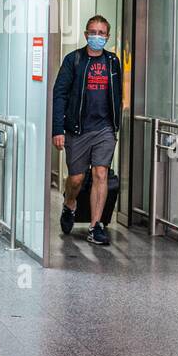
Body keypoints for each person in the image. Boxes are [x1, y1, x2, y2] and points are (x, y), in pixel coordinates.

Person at [52, 14, 122, 246]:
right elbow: (59, 94)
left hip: (104, 129)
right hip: (78, 130)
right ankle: (69, 204)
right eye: (93, 32)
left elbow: (117, 94)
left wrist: (115, 125)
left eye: (101, 33)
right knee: (76, 179)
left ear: (108, 37)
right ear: (85, 34)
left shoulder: (112, 62)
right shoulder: (74, 60)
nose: (97, 37)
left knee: (100, 174)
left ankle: (96, 226)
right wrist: (58, 129)